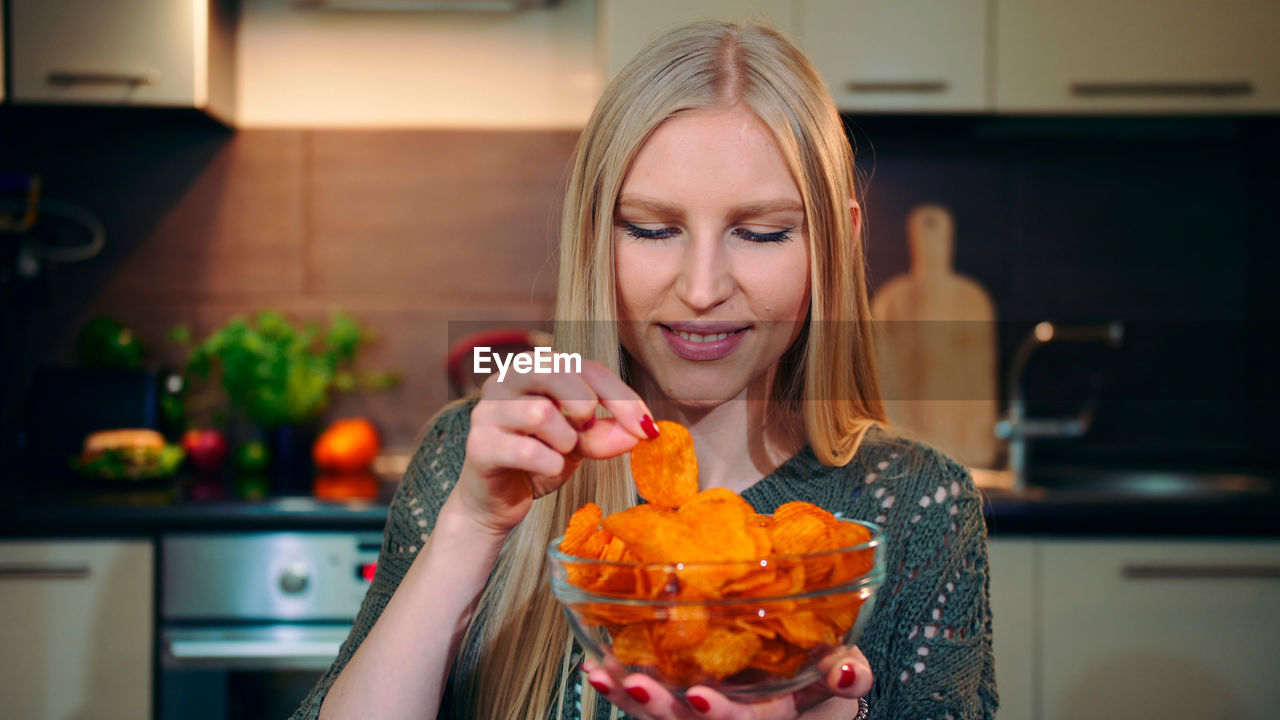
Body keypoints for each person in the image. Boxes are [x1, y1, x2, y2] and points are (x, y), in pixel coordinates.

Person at [293, 20, 997, 720]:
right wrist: (471, 527)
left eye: (761, 233)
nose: (701, 287)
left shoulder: (922, 508)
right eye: (653, 229)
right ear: (596, 235)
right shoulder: (476, 461)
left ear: (836, 243)